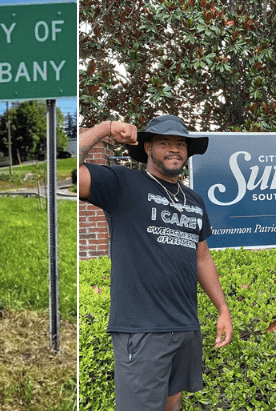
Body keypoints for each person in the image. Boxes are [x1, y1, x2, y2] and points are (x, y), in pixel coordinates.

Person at [79, 115, 232, 411]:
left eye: (180, 144)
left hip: (185, 326)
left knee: (172, 406)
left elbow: (202, 256)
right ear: (148, 147)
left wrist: (222, 310)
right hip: (142, 330)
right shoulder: (122, 183)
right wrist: (106, 129)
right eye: (165, 143)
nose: (174, 149)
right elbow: (71, 169)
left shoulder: (194, 200)